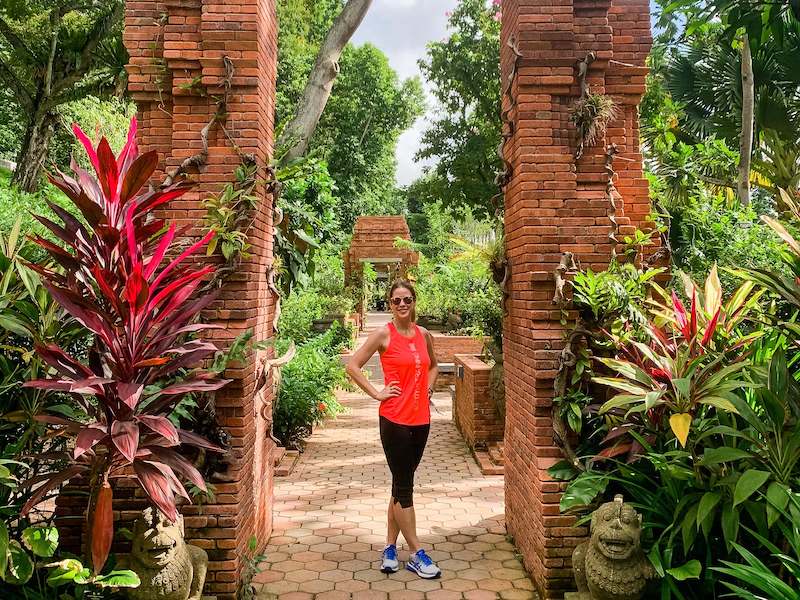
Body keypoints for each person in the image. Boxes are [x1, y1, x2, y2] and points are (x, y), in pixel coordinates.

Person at [345, 279, 442, 579]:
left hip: (421, 421)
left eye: (407, 299)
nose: (402, 304)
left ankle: (389, 548)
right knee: (405, 487)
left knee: (401, 483)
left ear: (414, 302)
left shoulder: (424, 334)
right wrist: (376, 393)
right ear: (389, 304)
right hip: (394, 421)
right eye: (396, 300)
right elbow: (352, 365)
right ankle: (416, 552)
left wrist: (427, 388)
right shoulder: (382, 335)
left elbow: (434, 366)